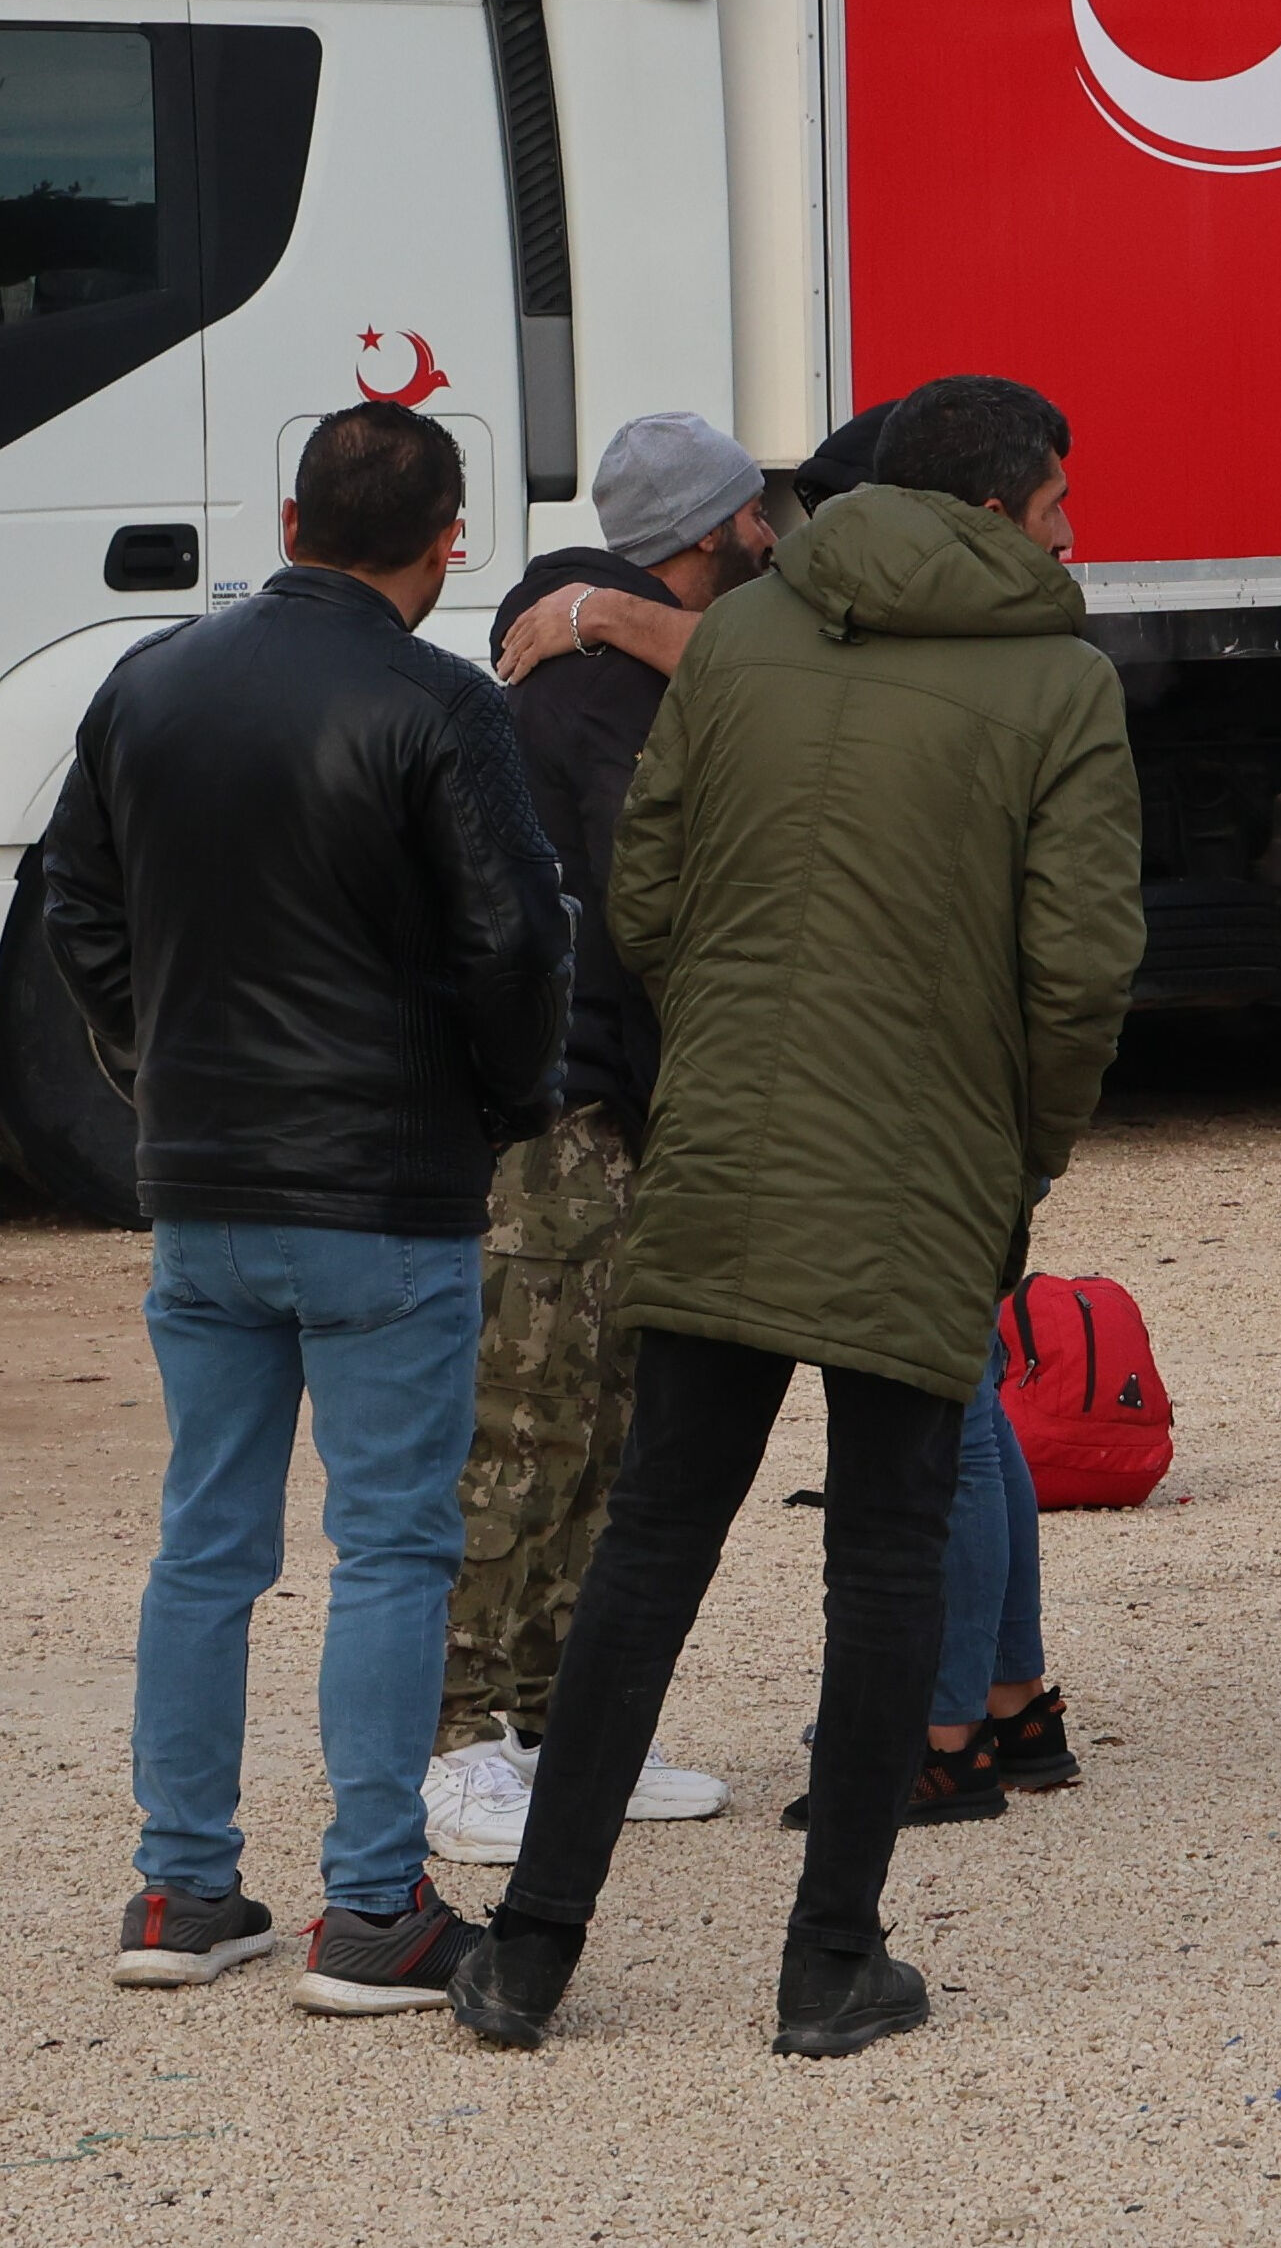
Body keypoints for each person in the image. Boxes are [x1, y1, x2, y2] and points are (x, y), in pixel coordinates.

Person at [452, 376, 1143, 2059]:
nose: (1068, 528)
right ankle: (828, 1958)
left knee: (654, 1543)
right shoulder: (1060, 682)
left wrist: (734, 1050)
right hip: (928, 1157)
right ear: (1000, 502)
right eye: (1057, 498)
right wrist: (1020, 1148)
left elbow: (652, 897)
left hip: (728, 1133)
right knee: (886, 1546)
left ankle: (530, 1950)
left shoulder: (746, 640)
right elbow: (1080, 967)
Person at [60, 402, 571, 2014]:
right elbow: (511, 938)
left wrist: (161, 1069)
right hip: (384, 1183)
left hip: (204, 1177)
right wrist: (501, 1103)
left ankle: (181, 1885)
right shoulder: (442, 699)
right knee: (395, 1542)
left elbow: (81, 904)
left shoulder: (148, 681)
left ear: (287, 520)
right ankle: (374, 1908)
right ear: (449, 540)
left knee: (206, 1541)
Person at [419, 413, 778, 1868]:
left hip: (614, 1111)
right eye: (755, 517)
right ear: (711, 531)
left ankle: (564, 1726)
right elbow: (648, 918)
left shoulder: (618, 656)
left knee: (602, 1426)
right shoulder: (587, 699)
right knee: (526, 1425)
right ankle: (458, 1738)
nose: (774, 538)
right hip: (556, 1120)